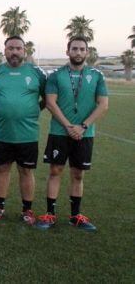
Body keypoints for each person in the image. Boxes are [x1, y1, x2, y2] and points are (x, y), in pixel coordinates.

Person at [35, 37, 108, 231]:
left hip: (85, 133)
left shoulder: (97, 75)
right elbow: (50, 103)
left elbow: (103, 104)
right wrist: (68, 126)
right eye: (74, 48)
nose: (78, 52)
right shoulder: (56, 75)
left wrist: (83, 126)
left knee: (78, 174)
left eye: (82, 49)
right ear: (67, 51)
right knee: (55, 171)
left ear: (87, 52)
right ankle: (50, 214)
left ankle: (75, 216)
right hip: (60, 131)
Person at [0, 36, 47, 225]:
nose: (14, 52)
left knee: (26, 171)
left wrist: (33, 110)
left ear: (24, 51)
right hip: (2, 133)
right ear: (4, 51)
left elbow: (48, 98)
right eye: (10, 48)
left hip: (27, 133)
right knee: (2, 169)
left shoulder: (37, 73)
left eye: (18, 48)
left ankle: (27, 210)